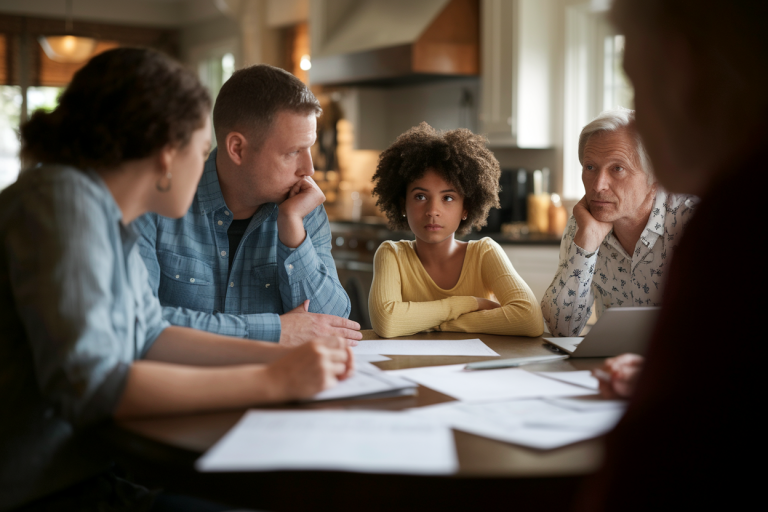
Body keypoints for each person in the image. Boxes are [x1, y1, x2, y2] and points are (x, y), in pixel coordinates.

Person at [0, 48, 353, 512]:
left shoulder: (107, 214)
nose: (204, 163)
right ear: (168, 154)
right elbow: (93, 388)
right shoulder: (65, 201)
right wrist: (274, 379)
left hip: (90, 474)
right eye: (199, 148)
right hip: (44, 491)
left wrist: (293, 356)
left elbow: (151, 334)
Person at [579, 0, 766, 509]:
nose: (601, 184)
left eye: (634, 75)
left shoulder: (730, 225)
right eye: (590, 169)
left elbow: (657, 472)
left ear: (678, 67)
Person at [133, 64, 361, 348]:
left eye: (309, 149)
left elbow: (334, 326)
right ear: (237, 149)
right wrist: (276, 330)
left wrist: (293, 232)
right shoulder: (155, 204)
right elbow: (137, 324)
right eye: (292, 152)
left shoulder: (303, 209)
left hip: (279, 387)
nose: (309, 169)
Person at [368, 123, 543, 338]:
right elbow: (387, 322)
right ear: (403, 204)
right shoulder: (390, 255)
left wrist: (430, 323)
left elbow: (530, 319)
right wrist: (469, 304)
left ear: (466, 209)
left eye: (448, 198)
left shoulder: (485, 253)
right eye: (420, 196)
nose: (433, 211)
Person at [541, 109, 697, 337]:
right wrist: (586, 244)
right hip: (612, 365)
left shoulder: (689, 222)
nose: (598, 185)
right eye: (590, 167)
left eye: (618, 168)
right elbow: (559, 329)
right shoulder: (583, 224)